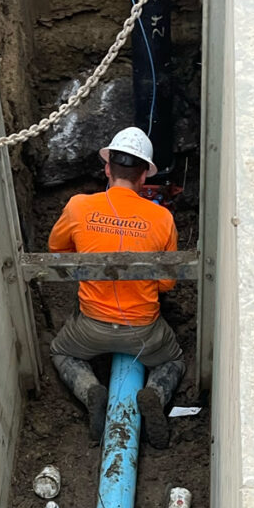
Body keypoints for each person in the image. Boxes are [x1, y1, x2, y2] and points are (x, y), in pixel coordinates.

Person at [47, 127, 185, 449]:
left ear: (108, 169)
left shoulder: (78, 206)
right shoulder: (162, 218)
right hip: (144, 332)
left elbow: (57, 253)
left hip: (90, 328)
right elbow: (168, 282)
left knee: (61, 351)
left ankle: (91, 391)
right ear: (143, 178)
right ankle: (154, 394)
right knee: (174, 361)